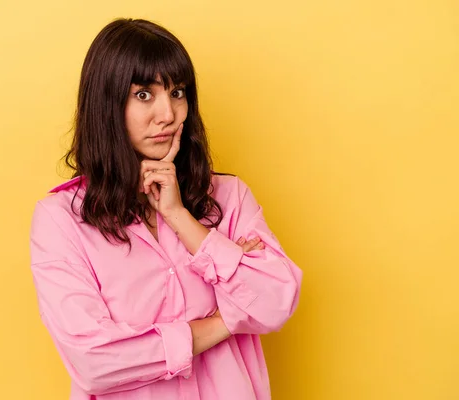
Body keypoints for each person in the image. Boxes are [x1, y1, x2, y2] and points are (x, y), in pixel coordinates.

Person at [29, 18, 302, 400]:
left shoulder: (229, 197)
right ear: (106, 104)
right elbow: (93, 362)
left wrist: (179, 217)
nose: (168, 114)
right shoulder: (61, 220)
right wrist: (227, 320)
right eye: (144, 94)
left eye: (177, 92)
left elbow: (276, 302)